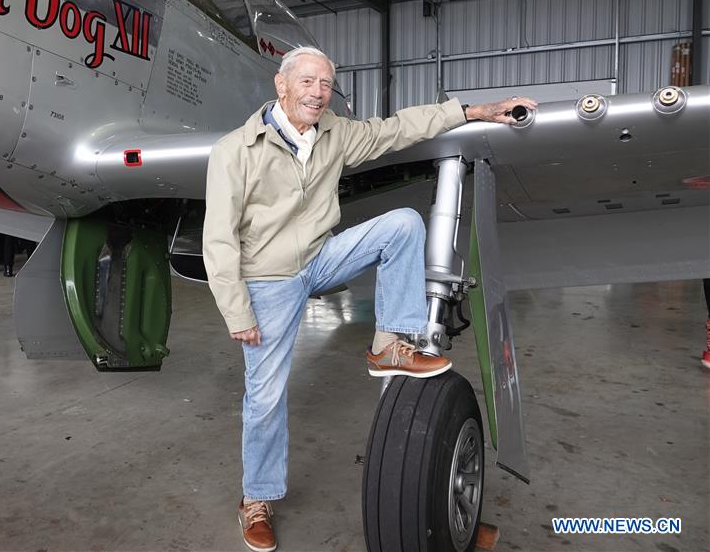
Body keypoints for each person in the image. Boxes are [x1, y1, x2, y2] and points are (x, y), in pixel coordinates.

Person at [202, 46, 536, 552]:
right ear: (282, 85)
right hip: (267, 278)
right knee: (265, 396)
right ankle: (257, 500)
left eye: (326, 84)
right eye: (308, 82)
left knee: (402, 224)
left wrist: (473, 111)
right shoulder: (234, 150)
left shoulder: (334, 133)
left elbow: (397, 128)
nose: (318, 93)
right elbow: (218, 239)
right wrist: (237, 311)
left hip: (319, 257)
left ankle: (389, 344)